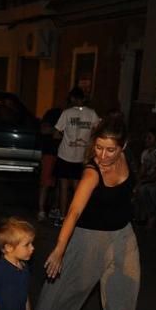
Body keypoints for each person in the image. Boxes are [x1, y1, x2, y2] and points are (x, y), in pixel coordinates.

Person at [29, 113, 144, 310]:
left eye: (110, 150)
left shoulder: (129, 161)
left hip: (123, 236)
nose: (103, 156)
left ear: (123, 147)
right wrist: (59, 249)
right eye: (99, 148)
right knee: (67, 291)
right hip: (88, 238)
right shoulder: (92, 172)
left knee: (124, 296)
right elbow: (74, 211)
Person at [53, 88, 99, 223]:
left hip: (65, 154)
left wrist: (66, 136)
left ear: (72, 98)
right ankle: (77, 217)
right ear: (83, 99)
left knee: (63, 187)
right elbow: (97, 132)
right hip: (81, 156)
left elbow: (56, 133)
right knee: (78, 188)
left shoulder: (67, 113)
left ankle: (62, 217)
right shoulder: (92, 114)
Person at [37, 105, 63, 222]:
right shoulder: (54, 113)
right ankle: (41, 210)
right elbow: (43, 129)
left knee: (60, 184)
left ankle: (55, 209)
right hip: (50, 152)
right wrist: (57, 129)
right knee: (46, 182)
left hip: (64, 154)